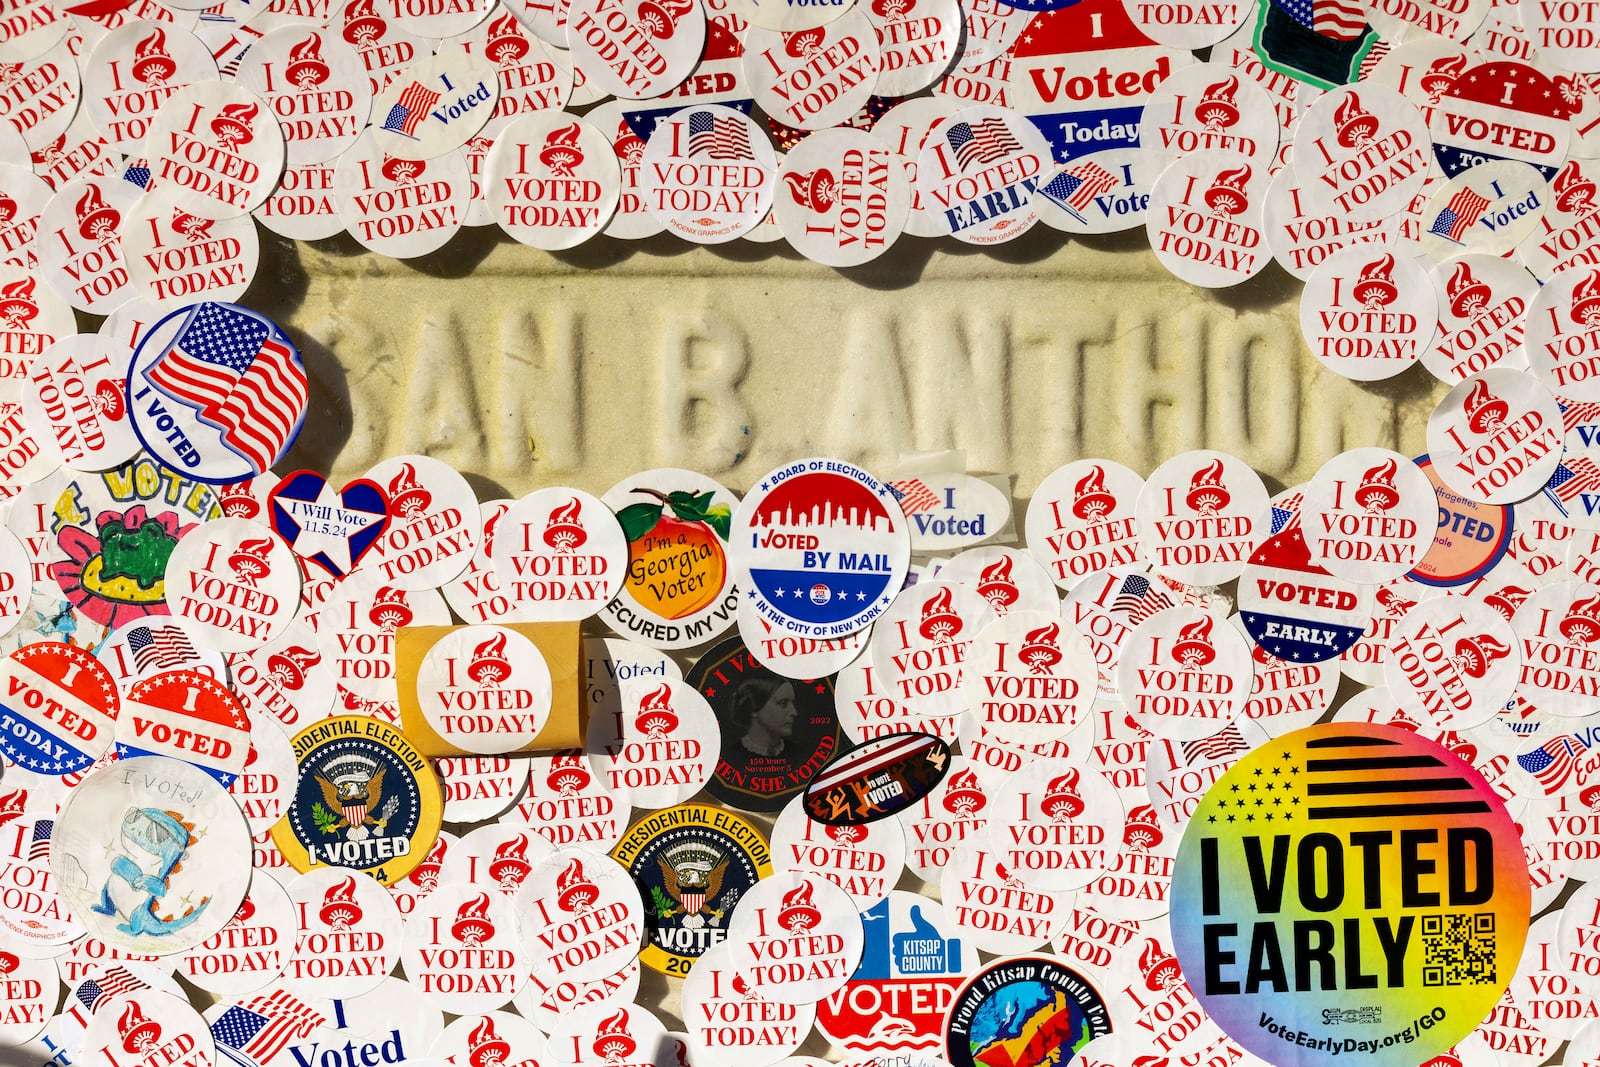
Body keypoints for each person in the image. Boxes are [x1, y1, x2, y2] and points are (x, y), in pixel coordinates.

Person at [727, 678, 798, 758]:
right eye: (783, 703)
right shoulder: (732, 756)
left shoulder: (799, 754)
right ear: (754, 708)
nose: (794, 712)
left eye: (792, 703)